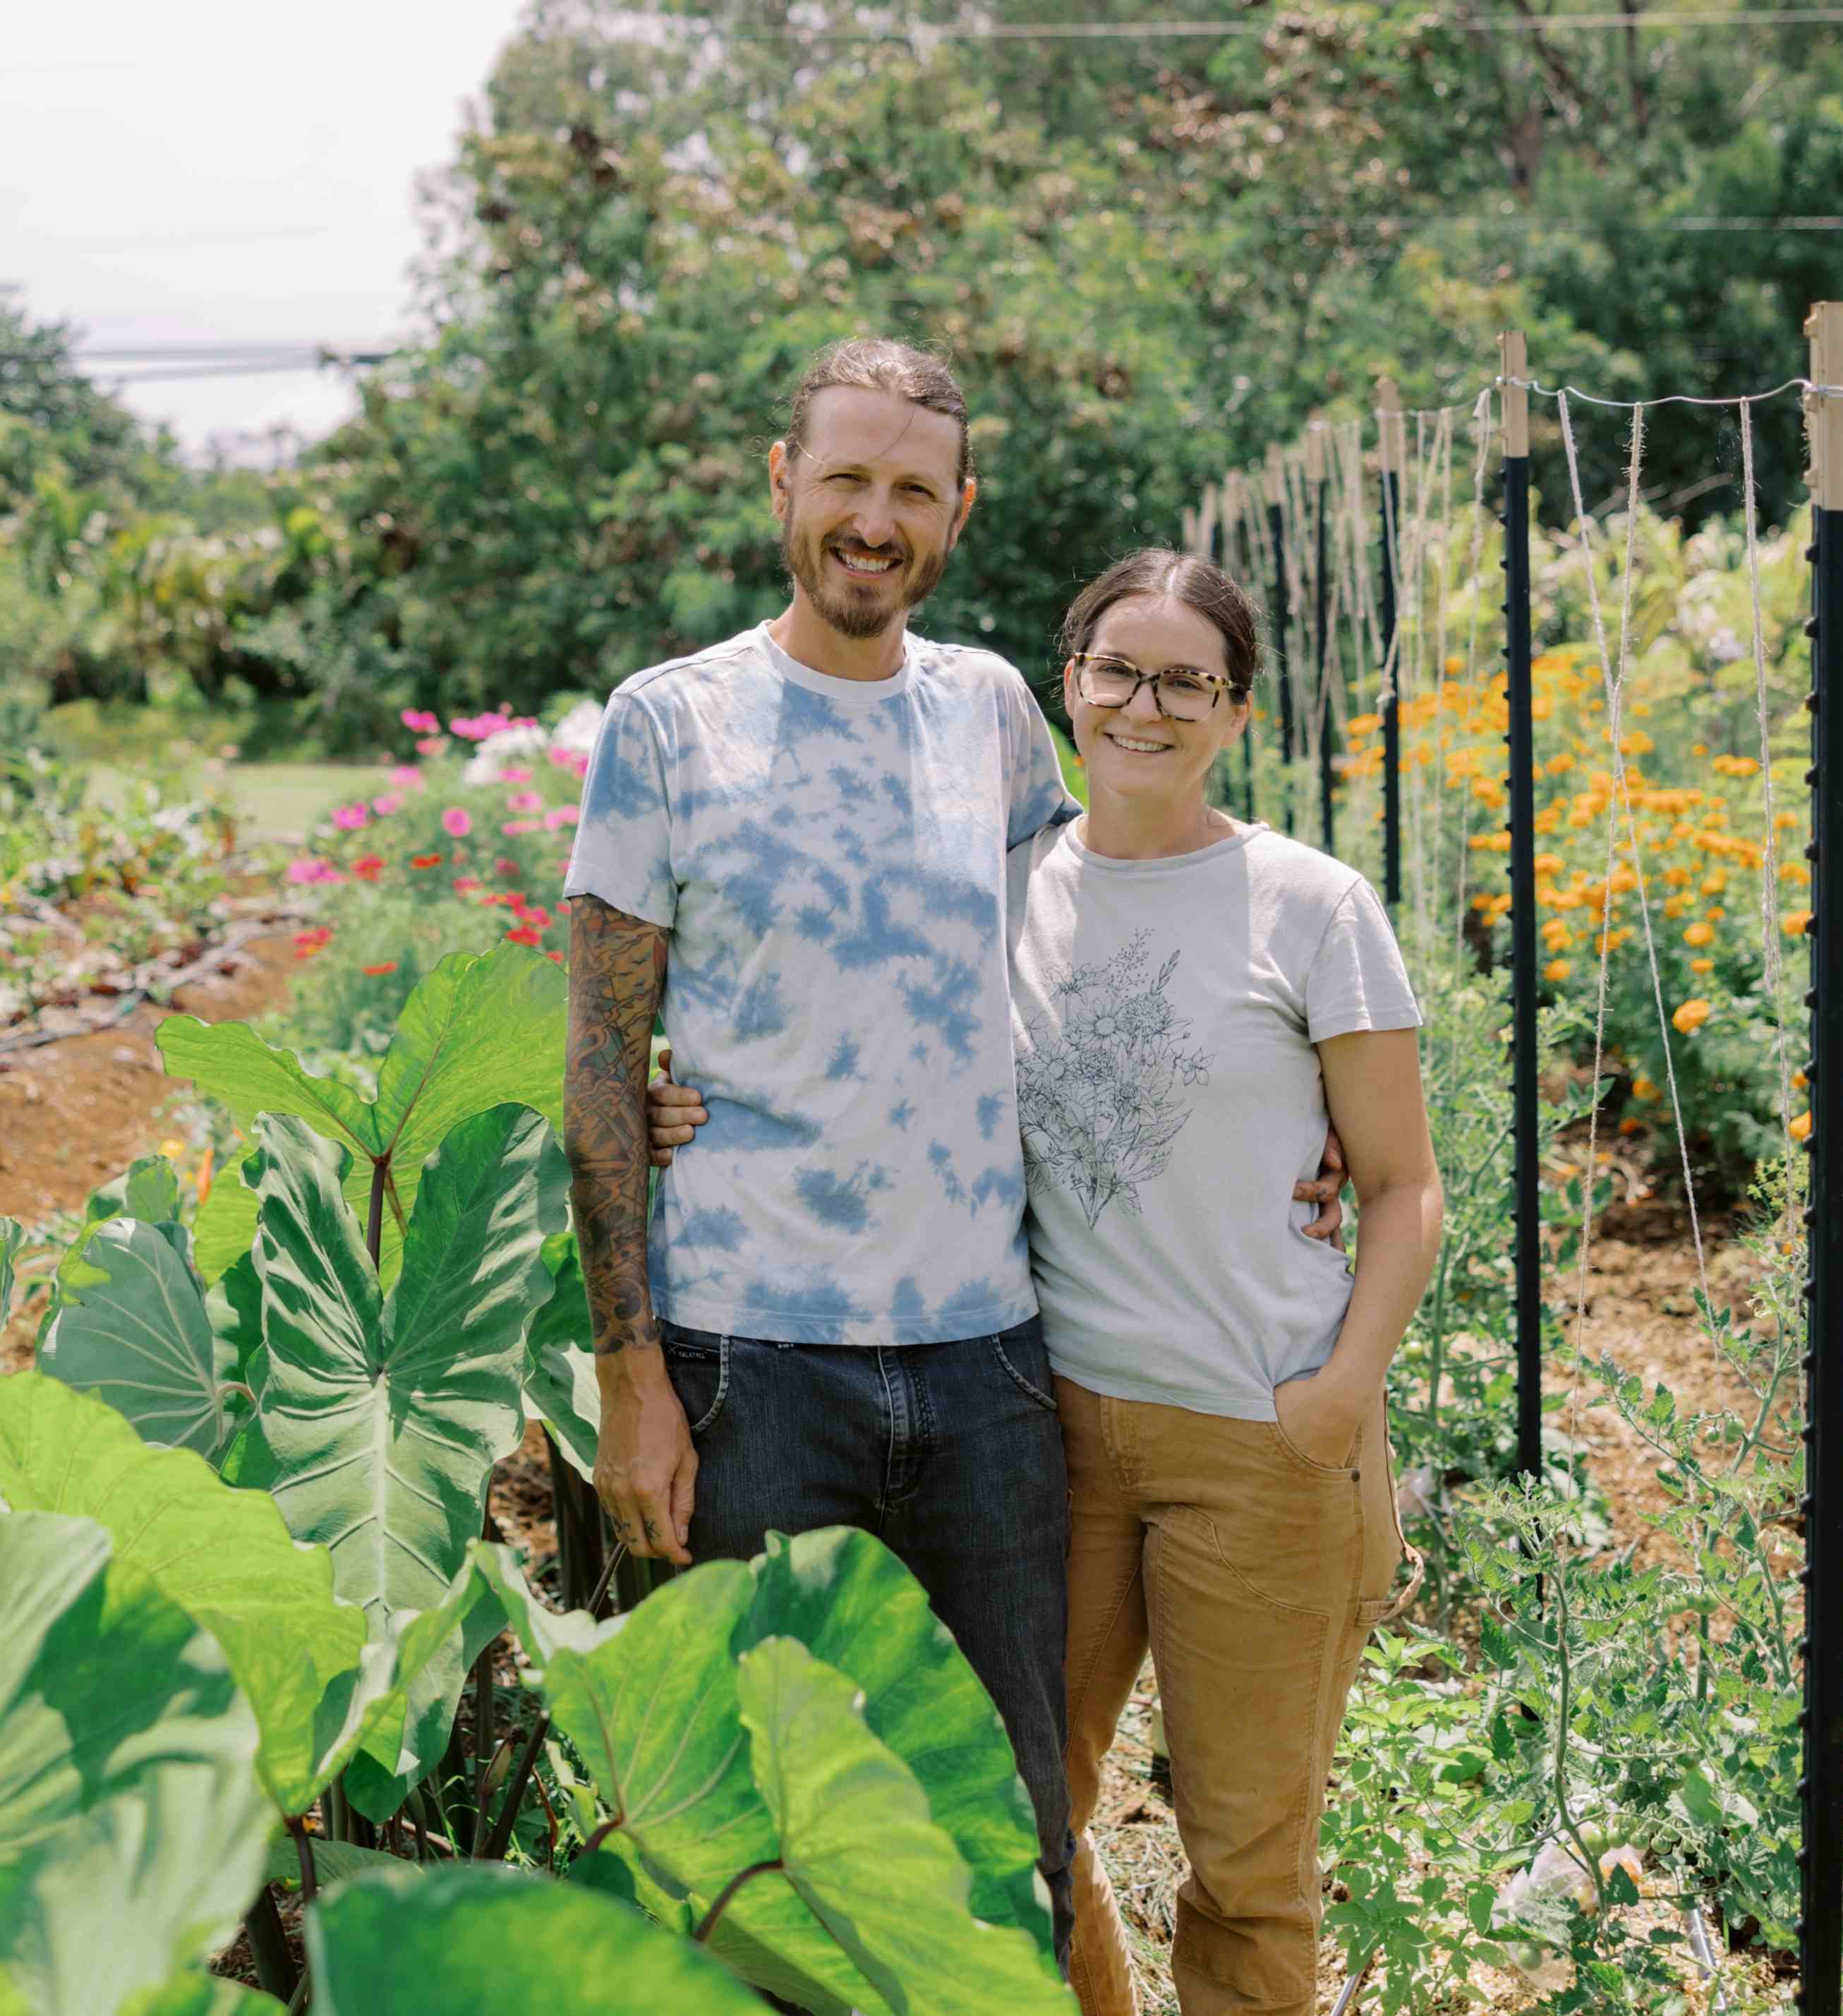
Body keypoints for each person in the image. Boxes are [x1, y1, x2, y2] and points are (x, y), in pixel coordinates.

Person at [563, 338, 1344, 1976]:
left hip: (989, 1365)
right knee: (763, 1838)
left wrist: (1294, 1107)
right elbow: (593, 1056)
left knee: (1010, 1829)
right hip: (746, 1366)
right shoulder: (668, 727)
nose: (873, 517)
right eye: (844, 477)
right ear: (783, 483)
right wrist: (630, 1374)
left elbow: (1100, 937)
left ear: (955, 513)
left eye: (910, 489)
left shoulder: (991, 711)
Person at [653, 541, 1441, 2015]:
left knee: (1246, 1860)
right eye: (1116, 671)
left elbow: (1401, 1185)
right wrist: (670, 1089)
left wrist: (1338, 1400)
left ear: (1236, 711)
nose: (1146, 707)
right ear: (1065, 684)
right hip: (1050, 1431)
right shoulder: (994, 884)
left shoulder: (1308, 906)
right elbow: (833, 1024)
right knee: (1015, 1823)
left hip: (1257, 1440)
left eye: (1186, 681)